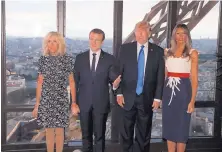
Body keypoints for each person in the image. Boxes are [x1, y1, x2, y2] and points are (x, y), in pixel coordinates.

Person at [115, 21, 165, 152]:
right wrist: (119, 93)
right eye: (137, 31)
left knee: (143, 135)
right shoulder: (125, 49)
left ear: (149, 33)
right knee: (126, 134)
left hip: (147, 98)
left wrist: (157, 98)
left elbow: (160, 77)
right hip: (127, 97)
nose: (140, 34)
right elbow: (118, 73)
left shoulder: (158, 52)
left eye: (143, 31)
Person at [72, 28, 121, 152]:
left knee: (99, 137)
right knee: (85, 137)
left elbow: (112, 80)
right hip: (83, 104)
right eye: (91, 39)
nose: (93, 42)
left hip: (101, 104)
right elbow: (74, 82)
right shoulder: (80, 58)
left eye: (97, 40)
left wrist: (115, 85)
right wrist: (73, 103)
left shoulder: (110, 59)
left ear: (102, 42)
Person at [32, 31, 76, 152]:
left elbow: (72, 82)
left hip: (61, 99)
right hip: (46, 100)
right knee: (49, 131)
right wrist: (37, 104)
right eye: (49, 41)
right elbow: (40, 83)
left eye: (54, 41)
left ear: (60, 43)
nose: (51, 44)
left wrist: (74, 102)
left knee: (60, 131)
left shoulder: (67, 60)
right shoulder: (43, 60)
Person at [162, 23, 198, 152]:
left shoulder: (192, 53)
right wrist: (161, 97)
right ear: (174, 35)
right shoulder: (167, 52)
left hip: (183, 93)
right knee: (169, 128)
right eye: (178, 33)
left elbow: (194, 80)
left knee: (181, 130)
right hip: (168, 93)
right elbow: (165, 76)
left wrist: (192, 101)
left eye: (184, 33)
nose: (181, 36)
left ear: (187, 35)